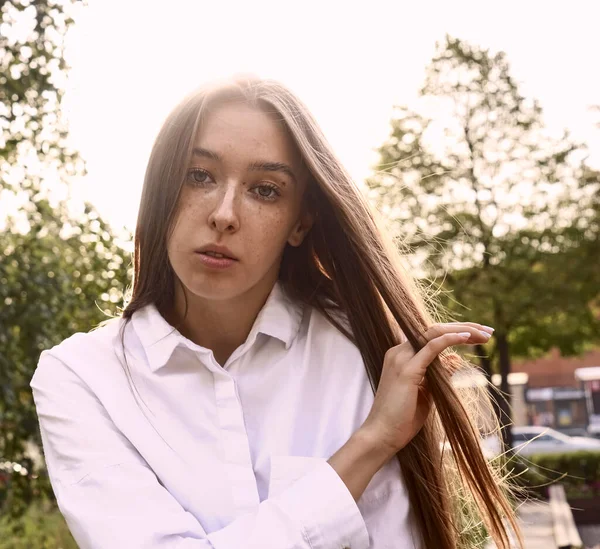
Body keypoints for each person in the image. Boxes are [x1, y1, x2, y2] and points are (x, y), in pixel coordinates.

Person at [30, 75, 522, 549]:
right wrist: (369, 445)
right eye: (198, 176)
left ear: (300, 222)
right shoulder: (80, 378)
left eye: (265, 189)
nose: (224, 213)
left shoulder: (368, 352)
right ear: (162, 191)